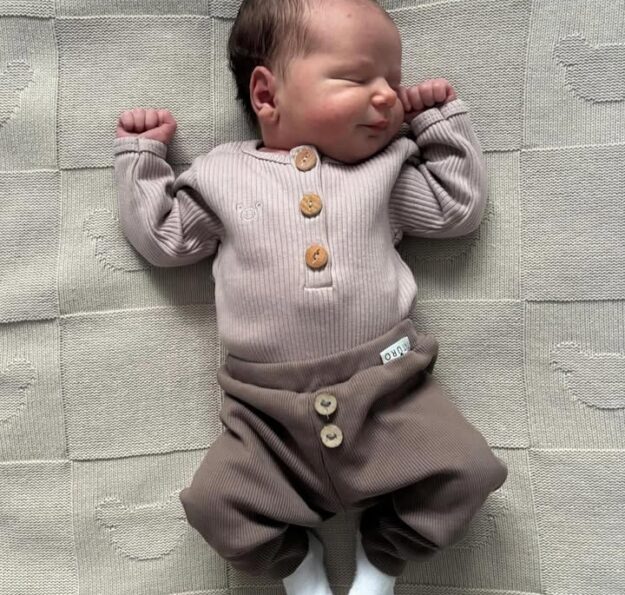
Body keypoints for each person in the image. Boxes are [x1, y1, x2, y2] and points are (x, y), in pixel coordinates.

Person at [113, 0, 508, 593]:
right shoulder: (221, 176)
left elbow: (456, 209)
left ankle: (383, 558)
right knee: (213, 506)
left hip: (388, 391)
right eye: (355, 78)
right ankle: (298, 568)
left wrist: (438, 124)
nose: (388, 96)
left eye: (393, 80)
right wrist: (142, 159)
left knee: (469, 472)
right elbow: (166, 237)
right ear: (266, 95)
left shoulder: (384, 173)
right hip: (267, 417)